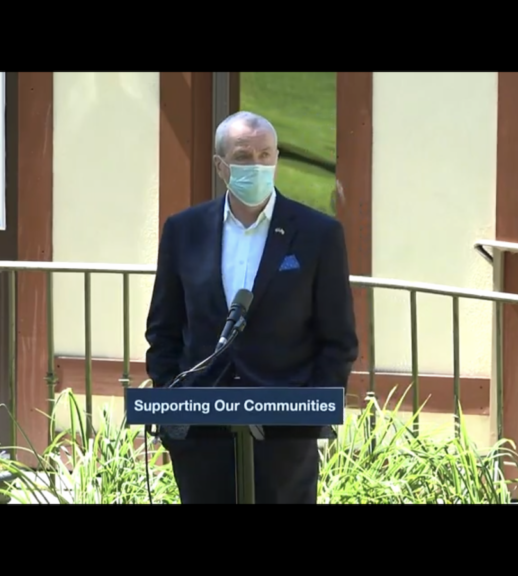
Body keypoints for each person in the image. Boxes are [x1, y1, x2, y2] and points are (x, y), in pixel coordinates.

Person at [145, 110, 358, 504]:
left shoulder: (318, 234)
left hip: (284, 439)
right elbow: (164, 329)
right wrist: (172, 403)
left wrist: (309, 415)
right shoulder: (183, 230)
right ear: (220, 166)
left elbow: (339, 339)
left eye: (266, 155)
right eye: (244, 157)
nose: (257, 166)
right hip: (200, 435)